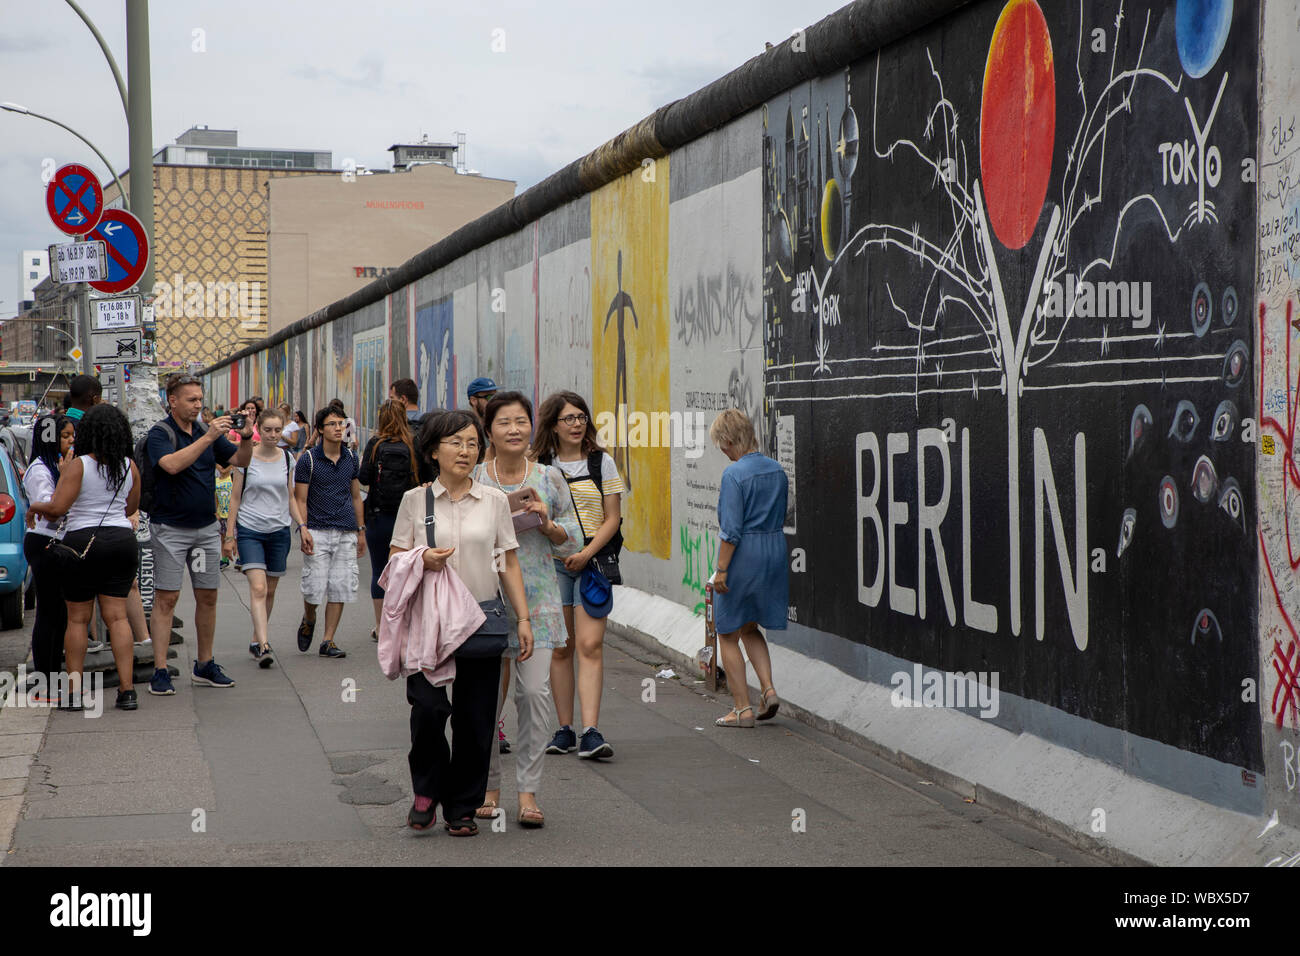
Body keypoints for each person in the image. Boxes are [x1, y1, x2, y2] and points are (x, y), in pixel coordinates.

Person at [388, 409, 532, 834]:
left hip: (481, 618)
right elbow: (395, 559)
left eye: (472, 443)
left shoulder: (492, 502)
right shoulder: (415, 501)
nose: (466, 451)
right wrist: (422, 559)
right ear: (434, 450)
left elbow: (507, 561)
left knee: (476, 717)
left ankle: (462, 807)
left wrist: (522, 618)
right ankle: (426, 791)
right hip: (429, 624)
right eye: (456, 442)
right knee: (428, 712)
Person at [473, 391, 580, 827]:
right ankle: (488, 785)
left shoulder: (549, 478)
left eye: (521, 421)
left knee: (533, 696)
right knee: (486, 703)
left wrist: (546, 521)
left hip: (537, 603)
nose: (514, 429)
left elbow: (573, 540)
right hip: (482, 603)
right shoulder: (476, 477)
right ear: (490, 431)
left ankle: (528, 791)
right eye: (504, 423)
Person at [27, 404, 142, 711]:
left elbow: (58, 508)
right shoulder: (130, 466)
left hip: (82, 544)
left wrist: (36, 507)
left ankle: (75, 692)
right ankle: (127, 690)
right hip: (121, 541)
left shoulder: (79, 465)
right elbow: (131, 507)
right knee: (117, 617)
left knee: (77, 619)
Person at [146, 374, 254, 695]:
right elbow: (171, 465)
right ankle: (161, 669)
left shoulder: (205, 431)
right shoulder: (160, 433)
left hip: (206, 529)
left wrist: (246, 436)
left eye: (199, 399)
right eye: (191, 400)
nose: (197, 405)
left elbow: (239, 460)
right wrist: (208, 438)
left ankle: (204, 664)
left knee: (208, 596)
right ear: (173, 401)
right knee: (167, 598)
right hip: (169, 529)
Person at [533, 391, 624, 759]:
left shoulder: (602, 463)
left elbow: (613, 517)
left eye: (581, 417)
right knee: (561, 648)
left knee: (589, 645)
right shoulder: (539, 465)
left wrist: (585, 553)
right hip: (551, 565)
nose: (576, 424)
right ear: (553, 425)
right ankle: (564, 729)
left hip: (593, 564)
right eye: (568, 419)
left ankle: (591, 731)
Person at [708, 408, 788, 727]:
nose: (723, 452)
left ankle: (742, 709)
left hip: (744, 554)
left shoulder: (734, 474)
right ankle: (768, 690)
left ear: (729, 440)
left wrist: (722, 570)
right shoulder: (776, 470)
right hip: (775, 549)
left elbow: (731, 530)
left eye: (722, 445)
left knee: (726, 633)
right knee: (751, 626)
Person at [224, 409, 304, 667]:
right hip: (250, 530)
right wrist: (229, 534)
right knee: (258, 588)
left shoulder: (288, 459)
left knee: (269, 591)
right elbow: (235, 498)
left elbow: (290, 496)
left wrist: (302, 526)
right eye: (267, 430)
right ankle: (265, 645)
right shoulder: (246, 459)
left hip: (279, 530)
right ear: (259, 428)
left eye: (277, 430)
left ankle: (257, 638)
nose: (272, 435)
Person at [294, 405, 365, 659]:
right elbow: (300, 499)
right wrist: (303, 529)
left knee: (341, 586)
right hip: (317, 531)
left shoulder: (351, 458)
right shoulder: (309, 460)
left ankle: (328, 640)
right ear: (320, 430)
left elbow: (356, 496)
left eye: (341, 423)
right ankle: (309, 617)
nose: (338, 428)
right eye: (332, 424)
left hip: (346, 530)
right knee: (314, 587)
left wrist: (361, 531)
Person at [22, 414, 74, 701]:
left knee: (61, 614)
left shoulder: (59, 465)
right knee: (47, 613)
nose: (70, 441)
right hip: (43, 541)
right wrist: (66, 475)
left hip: (60, 543)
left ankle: (55, 675)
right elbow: (53, 506)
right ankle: (44, 681)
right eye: (65, 436)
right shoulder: (40, 469)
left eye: (71, 436)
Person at [358, 400, 419, 643]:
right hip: (407, 518)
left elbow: (363, 477)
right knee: (406, 572)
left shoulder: (375, 444)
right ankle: (405, 623)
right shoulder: (412, 444)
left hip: (378, 514)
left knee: (379, 571)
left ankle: (381, 626)